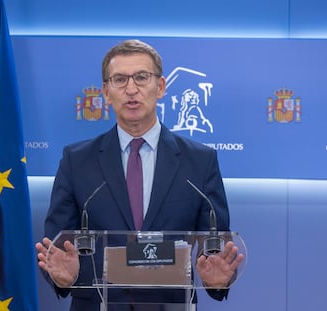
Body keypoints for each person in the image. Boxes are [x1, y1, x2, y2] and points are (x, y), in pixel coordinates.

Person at [35, 39, 244, 310]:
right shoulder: (77, 160)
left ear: (161, 87)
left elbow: (214, 244)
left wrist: (218, 280)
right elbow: (58, 247)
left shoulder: (200, 161)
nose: (131, 89)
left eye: (142, 77)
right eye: (119, 79)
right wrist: (63, 277)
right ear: (106, 92)